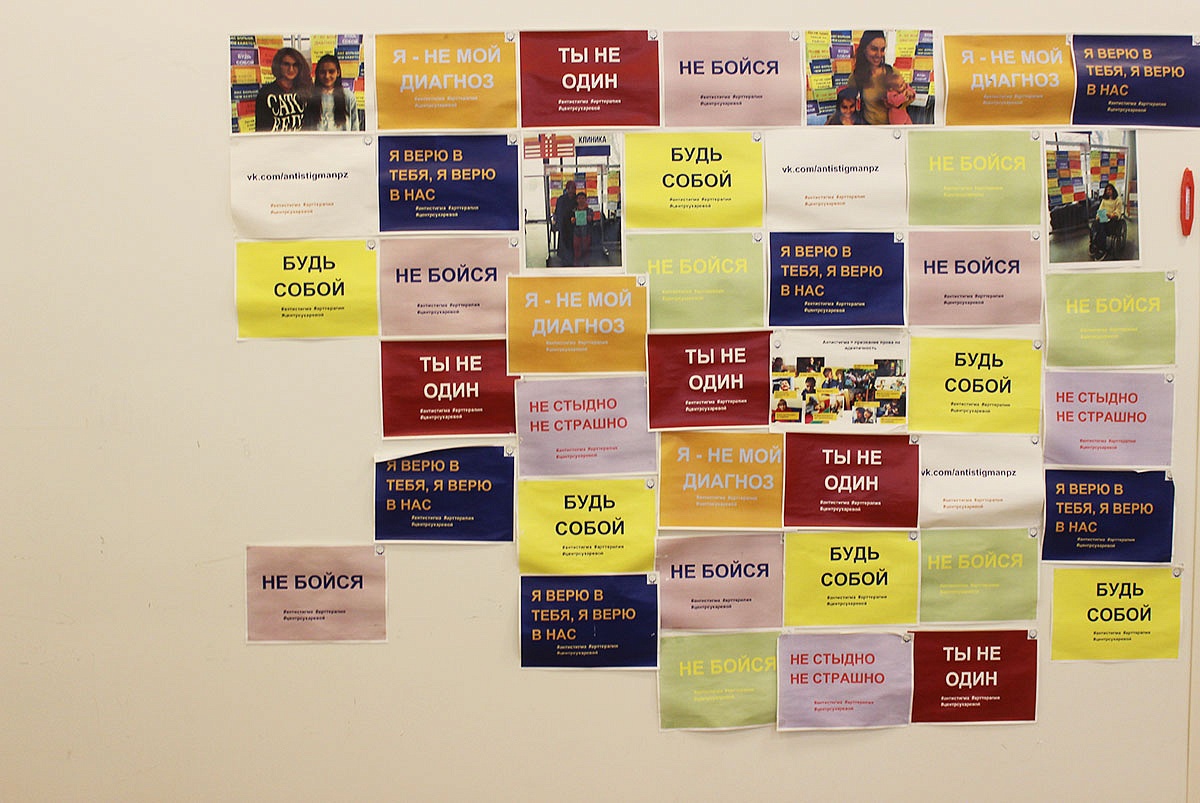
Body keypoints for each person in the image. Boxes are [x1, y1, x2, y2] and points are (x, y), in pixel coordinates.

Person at [847, 31, 913, 125]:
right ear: (864, 49)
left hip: (893, 128)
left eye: (882, 50)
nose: (879, 54)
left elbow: (907, 101)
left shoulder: (893, 72)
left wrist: (901, 101)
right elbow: (847, 105)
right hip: (869, 127)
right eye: (874, 49)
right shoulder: (856, 77)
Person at [255, 47, 312, 132]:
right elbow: (261, 129)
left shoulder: (306, 90)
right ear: (278, 65)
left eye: (295, 65)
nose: (291, 69)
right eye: (286, 64)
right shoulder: (265, 93)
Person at [305, 54, 360, 131]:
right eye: (323, 72)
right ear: (317, 73)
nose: (327, 76)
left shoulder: (348, 96)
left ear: (338, 73)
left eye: (331, 72)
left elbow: (355, 126)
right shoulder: (310, 96)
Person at [1090, 183, 1125, 258]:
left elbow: (1118, 212)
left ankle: (1102, 248)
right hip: (1104, 217)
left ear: (1113, 190)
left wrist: (1112, 215)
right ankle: (1094, 243)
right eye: (1107, 190)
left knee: (1101, 227)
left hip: (1113, 219)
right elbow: (1100, 209)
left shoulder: (1118, 200)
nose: (1108, 191)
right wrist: (1098, 216)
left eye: (1110, 189)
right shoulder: (1104, 200)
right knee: (1094, 225)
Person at [552, 180, 577, 265]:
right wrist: (558, 222)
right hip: (563, 223)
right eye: (571, 188)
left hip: (573, 224)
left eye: (574, 188)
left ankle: (572, 257)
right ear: (567, 189)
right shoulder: (561, 199)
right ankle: (564, 257)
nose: (573, 190)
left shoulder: (576, 199)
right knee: (563, 240)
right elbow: (558, 212)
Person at [572, 192, 592, 266]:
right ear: (576, 200)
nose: (581, 200)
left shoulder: (589, 210)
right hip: (577, 233)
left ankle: (586, 265)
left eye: (583, 198)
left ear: (586, 200)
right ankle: (577, 265)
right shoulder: (574, 210)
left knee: (586, 249)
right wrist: (572, 220)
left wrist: (590, 219)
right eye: (579, 198)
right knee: (577, 250)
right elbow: (571, 221)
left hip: (586, 233)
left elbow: (592, 221)